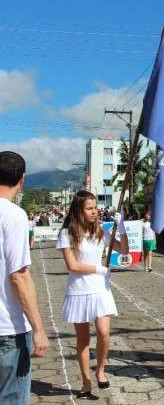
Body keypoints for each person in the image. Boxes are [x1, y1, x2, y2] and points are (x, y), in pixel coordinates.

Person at [57, 191, 129, 399]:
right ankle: (86, 381)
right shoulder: (67, 233)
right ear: (79, 210)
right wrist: (99, 269)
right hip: (79, 290)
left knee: (104, 332)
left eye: (95, 207)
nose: (94, 211)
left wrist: (121, 227)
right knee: (83, 339)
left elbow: (123, 250)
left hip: (100, 289)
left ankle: (100, 370)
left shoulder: (99, 231)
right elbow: (73, 265)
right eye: (89, 208)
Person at [0, 151, 49, 404]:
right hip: (7, 329)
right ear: (22, 178)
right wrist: (38, 328)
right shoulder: (14, 215)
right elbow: (19, 276)